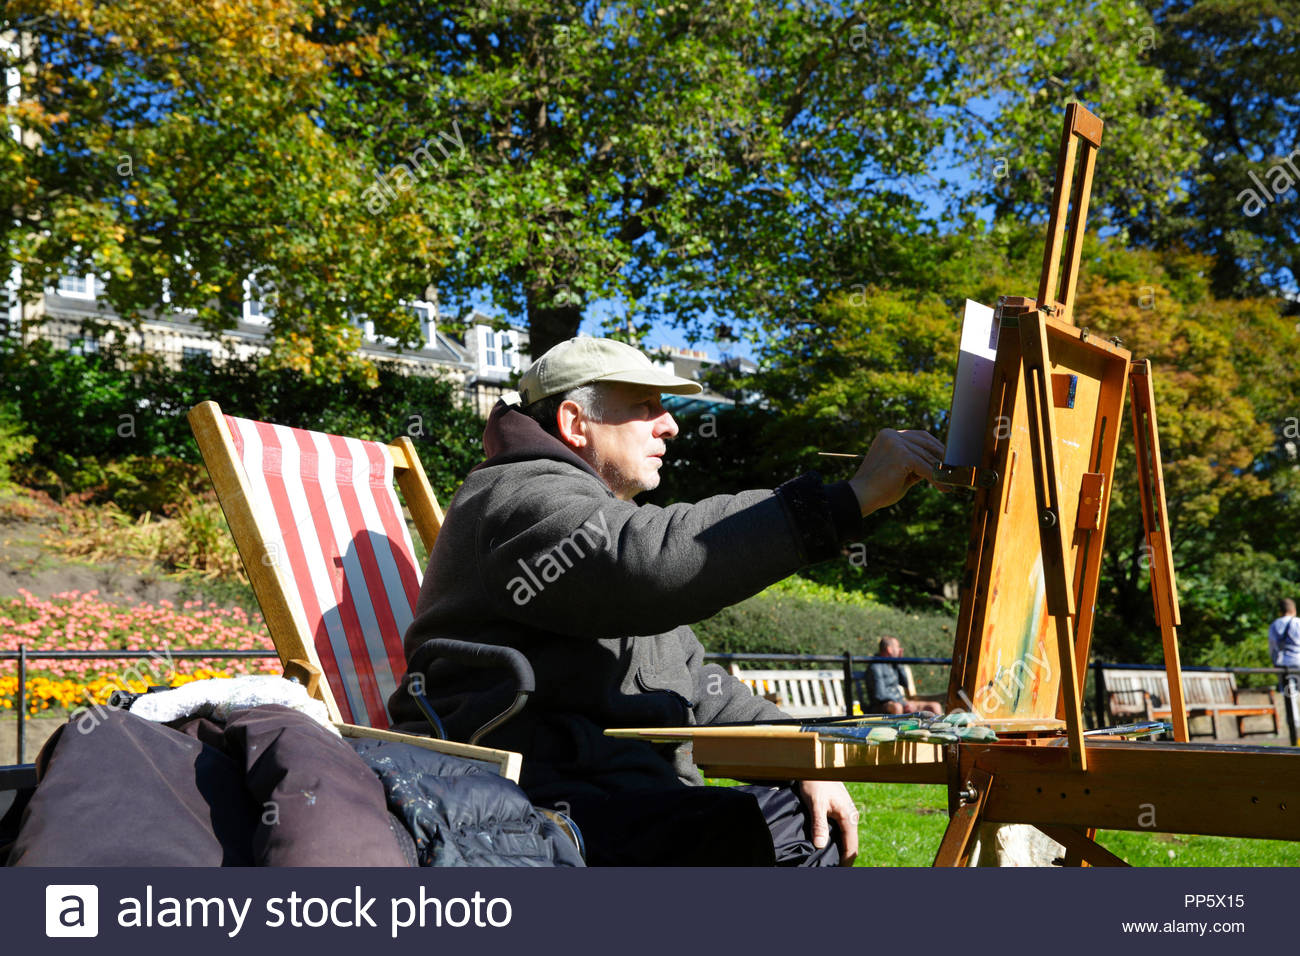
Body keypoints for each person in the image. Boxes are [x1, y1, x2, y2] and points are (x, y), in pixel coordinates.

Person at [388, 336, 944, 866]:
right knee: (778, 828)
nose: (671, 425)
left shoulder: (593, 517)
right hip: (524, 812)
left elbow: (693, 678)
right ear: (575, 423)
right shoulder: (516, 496)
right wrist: (851, 499)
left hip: (606, 796)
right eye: (645, 405)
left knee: (798, 813)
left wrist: (799, 754)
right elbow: (647, 561)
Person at [865, 636, 943, 715]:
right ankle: (896, 727)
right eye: (898, 647)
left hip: (899, 702)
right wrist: (903, 703)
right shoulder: (875, 667)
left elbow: (904, 684)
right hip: (882, 706)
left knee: (934, 706)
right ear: (889, 649)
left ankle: (940, 726)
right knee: (897, 707)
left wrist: (899, 662)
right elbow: (880, 695)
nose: (900, 649)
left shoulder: (893, 664)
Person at [1268, 598, 1300, 693]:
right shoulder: (1298, 622)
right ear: (1294, 610)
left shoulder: (1274, 625)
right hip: (1299, 660)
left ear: (1280, 612)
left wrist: (1275, 662)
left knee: (1289, 694)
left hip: (1283, 663)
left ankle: (1293, 708)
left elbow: (1272, 646)